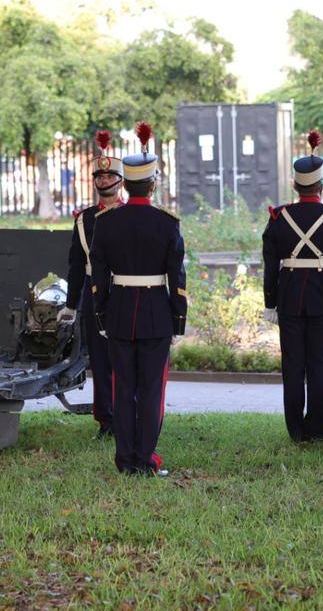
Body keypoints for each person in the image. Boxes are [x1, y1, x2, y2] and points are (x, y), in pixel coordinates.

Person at [89, 121, 186, 476]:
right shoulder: (167, 223)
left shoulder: (106, 221)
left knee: (123, 388)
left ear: (125, 184)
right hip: (156, 314)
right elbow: (177, 278)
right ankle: (145, 458)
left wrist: (101, 314)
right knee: (151, 391)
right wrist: (179, 320)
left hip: (118, 312)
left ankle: (125, 458)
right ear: (153, 183)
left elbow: (98, 275)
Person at [261, 131, 323, 442]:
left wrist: (270, 302)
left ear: (295, 185)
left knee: (292, 367)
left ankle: (295, 431)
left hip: (289, 299)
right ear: (321, 184)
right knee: (320, 367)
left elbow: (270, 264)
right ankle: (316, 429)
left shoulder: (279, 217)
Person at [58, 130, 125, 439]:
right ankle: (106, 420)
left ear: (120, 181)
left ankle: (128, 414)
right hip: (92, 292)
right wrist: (71, 305)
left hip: (124, 289)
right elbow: (75, 264)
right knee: (99, 360)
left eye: (109, 175)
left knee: (125, 357)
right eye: (99, 176)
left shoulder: (131, 215)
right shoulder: (83, 219)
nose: (103, 180)